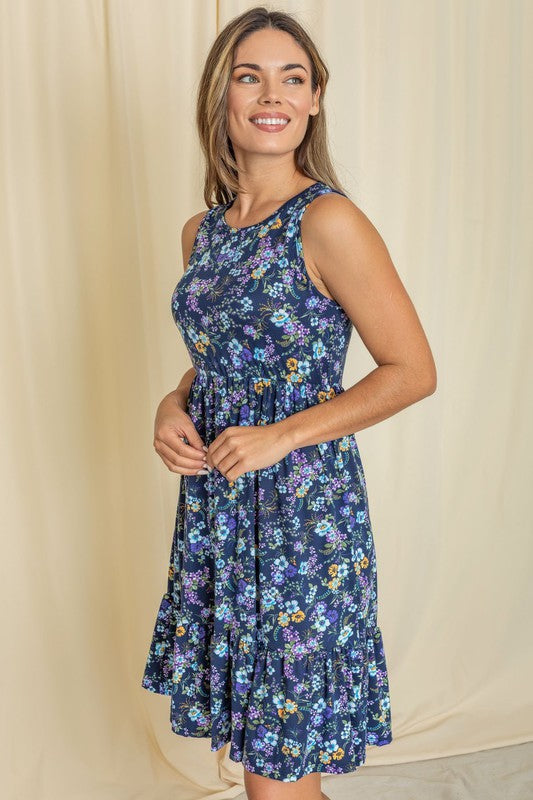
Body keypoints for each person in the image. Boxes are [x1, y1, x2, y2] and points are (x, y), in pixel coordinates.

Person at [141, 6, 437, 798]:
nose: (270, 93)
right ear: (222, 98)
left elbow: (410, 370)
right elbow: (214, 362)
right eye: (250, 75)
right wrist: (172, 405)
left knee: (277, 771)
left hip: (300, 518)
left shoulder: (328, 219)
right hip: (219, 510)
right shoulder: (201, 233)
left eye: (291, 77)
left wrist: (279, 436)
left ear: (313, 101)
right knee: (261, 758)